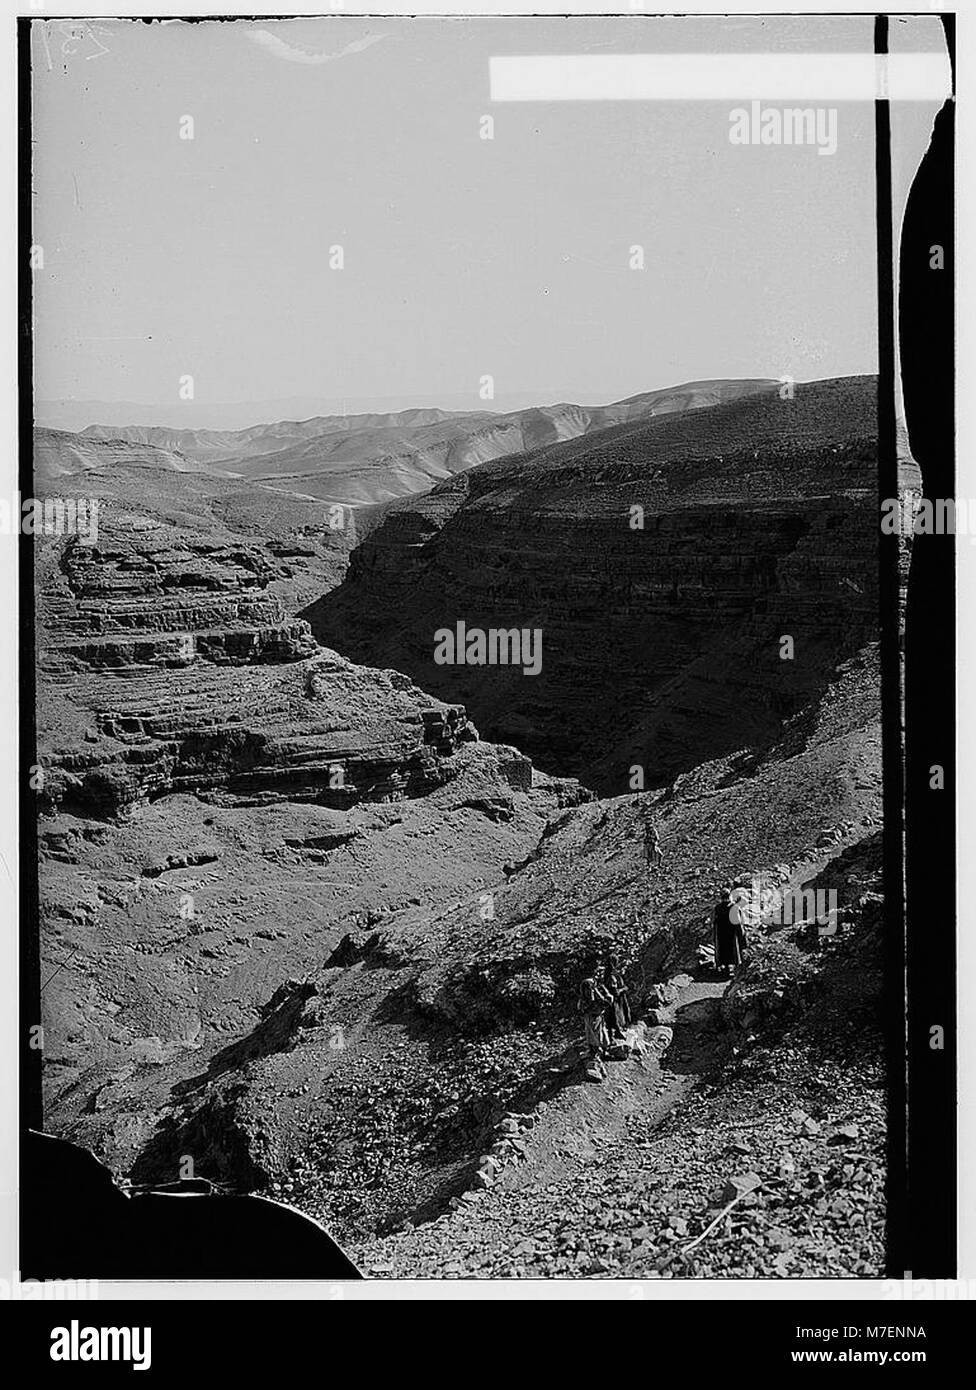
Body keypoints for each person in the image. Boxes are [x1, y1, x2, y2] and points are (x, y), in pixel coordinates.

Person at [713, 885, 747, 978]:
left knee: (723, 950)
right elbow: (738, 922)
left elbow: (714, 921)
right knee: (734, 950)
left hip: (721, 934)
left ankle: (725, 968)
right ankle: (736, 969)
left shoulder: (718, 908)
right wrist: (742, 934)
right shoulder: (734, 907)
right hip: (732, 933)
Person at [578, 974, 613, 1061]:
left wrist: (598, 991)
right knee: (594, 1036)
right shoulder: (584, 999)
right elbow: (587, 1004)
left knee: (602, 1035)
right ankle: (595, 1053)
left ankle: (603, 1052)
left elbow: (607, 1001)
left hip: (598, 1017)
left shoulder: (598, 992)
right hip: (591, 1017)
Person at [602, 957, 632, 1039]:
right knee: (616, 1016)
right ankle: (617, 1032)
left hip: (615, 999)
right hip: (615, 1000)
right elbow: (615, 991)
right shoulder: (611, 975)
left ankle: (615, 1033)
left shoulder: (609, 973)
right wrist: (624, 989)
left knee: (614, 1016)